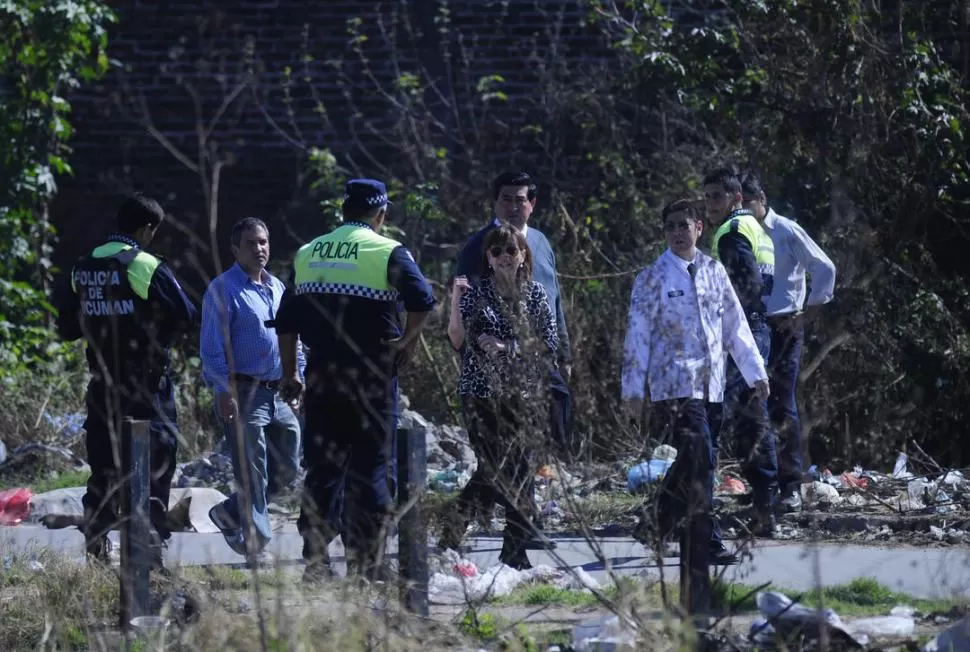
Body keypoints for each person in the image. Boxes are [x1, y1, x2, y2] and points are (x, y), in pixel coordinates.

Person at [274, 178, 436, 583]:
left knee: (323, 468)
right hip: (371, 377)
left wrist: (291, 372)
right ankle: (368, 564)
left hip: (323, 375)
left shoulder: (309, 252)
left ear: (342, 212)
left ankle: (315, 559)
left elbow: (287, 321)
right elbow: (422, 300)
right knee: (371, 467)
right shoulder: (387, 251)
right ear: (381, 215)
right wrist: (408, 344)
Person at [622, 199, 769, 567]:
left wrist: (756, 373)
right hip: (674, 385)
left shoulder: (714, 271)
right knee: (700, 457)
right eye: (670, 226)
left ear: (699, 228)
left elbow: (734, 326)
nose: (677, 232)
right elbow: (637, 336)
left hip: (712, 383)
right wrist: (633, 390)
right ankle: (705, 541)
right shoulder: (651, 279)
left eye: (683, 225)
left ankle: (655, 520)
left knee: (699, 461)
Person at [54, 194, 197, 567]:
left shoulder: (82, 268)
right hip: (146, 390)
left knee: (104, 469)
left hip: (102, 387)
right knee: (154, 468)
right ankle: (147, 559)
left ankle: (97, 552)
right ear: (147, 229)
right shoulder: (143, 264)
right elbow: (186, 314)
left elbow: (67, 328)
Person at [441, 225, 560, 569]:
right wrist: (455, 302)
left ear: (523, 255)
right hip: (481, 395)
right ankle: (456, 524)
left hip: (523, 396)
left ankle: (513, 549)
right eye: (497, 252)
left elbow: (548, 344)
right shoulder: (478, 294)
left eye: (512, 250)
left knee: (521, 470)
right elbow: (460, 340)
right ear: (488, 259)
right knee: (493, 469)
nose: (505, 257)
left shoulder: (536, 295)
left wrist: (510, 347)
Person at [200, 217, 305, 561]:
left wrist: (296, 376)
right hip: (243, 392)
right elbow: (212, 350)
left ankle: (229, 512)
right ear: (235, 250)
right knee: (253, 470)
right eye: (251, 243)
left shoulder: (276, 287)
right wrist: (224, 389)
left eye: (263, 242)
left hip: (279, 392)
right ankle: (255, 545)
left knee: (288, 466)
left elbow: (294, 340)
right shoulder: (223, 289)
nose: (259, 249)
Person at [451, 171, 572, 456]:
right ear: (494, 203)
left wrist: (564, 353)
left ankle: (541, 473)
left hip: (537, 350)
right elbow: (465, 309)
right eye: (506, 200)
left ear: (532, 203)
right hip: (497, 362)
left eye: (520, 200)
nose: (513, 207)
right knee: (502, 445)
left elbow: (554, 300)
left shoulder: (541, 242)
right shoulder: (478, 246)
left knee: (558, 404)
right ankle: (502, 494)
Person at [741, 172, 837, 511]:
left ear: (761, 199)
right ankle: (761, 486)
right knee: (752, 407)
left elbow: (824, 268)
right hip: (752, 329)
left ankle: (790, 485)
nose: (743, 210)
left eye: (748, 203)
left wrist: (805, 316)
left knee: (781, 403)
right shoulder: (739, 235)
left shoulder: (785, 230)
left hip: (783, 325)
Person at [704, 167, 780, 540]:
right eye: (706, 197)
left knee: (746, 421)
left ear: (736, 198)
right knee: (752, 418)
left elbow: (745, 285)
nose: (709, 205)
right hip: (758, 326)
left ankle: (765, 506)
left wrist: (725, 322)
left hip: (743, 330)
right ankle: (764, 504)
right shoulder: (758, 228)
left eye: (716, 196)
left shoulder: (732, 233)